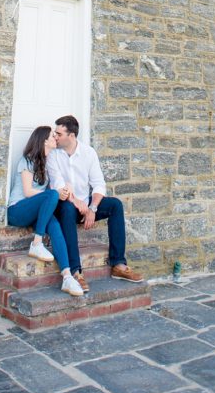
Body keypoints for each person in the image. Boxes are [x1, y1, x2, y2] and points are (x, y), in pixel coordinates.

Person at [47, 114, 143, 292]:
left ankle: (118, 265)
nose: (55, 137)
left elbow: (99, 184)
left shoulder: (88, 153)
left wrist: (92, 208)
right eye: (55, 133)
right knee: (67, 209)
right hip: (66, 203)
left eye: (59, 134)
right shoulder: (53, 155)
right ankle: (76, 272)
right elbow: (58, 186)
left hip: (86, 202)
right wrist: (77, 202)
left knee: (115, 205)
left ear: (72, 135)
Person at [7, 125, 83, 297]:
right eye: (52, 136)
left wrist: (65, 189)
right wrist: (53, 194)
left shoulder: (47, 164)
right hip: (17, 210)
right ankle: (37, 243)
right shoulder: (26, 160)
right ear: (43, 141)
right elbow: (27, 192)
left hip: (34, 212)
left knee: (55, 226)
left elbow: (52, 192)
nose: (55, 138)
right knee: (51, 195)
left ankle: (67, 277)